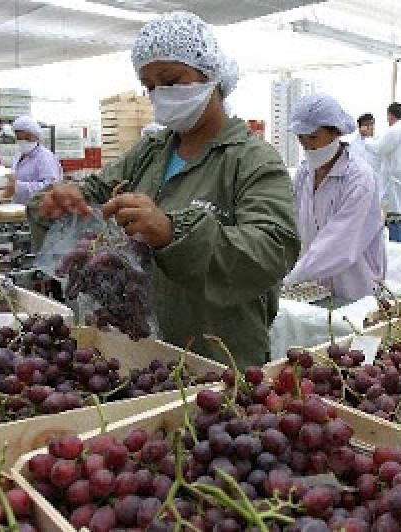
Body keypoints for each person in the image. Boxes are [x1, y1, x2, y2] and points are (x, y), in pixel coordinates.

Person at [27, 12, 299, 367]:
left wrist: (172, 232)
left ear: (211, 74)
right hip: (136, 352)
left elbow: (272, 249)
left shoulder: (251, 160)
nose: (160, 95)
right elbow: (91, 195)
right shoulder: (150, 152)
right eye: (150, 86)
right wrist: (60, 201)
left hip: (216, 359)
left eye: (171, 80)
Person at [283, 94, 384, 301]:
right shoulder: (304, 173)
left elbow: (340, 241)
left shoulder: (358, 178)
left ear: (336, 132)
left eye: (313, 137)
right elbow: (291, 222)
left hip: (354, 289)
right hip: (313, 287)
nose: (306, 145)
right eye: (300, 138)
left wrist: (294, 275)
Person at [365, 102, 401, 245]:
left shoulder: (394, 131)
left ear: (390, 115)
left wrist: (366, 141)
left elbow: (380, 149)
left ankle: (398, 249)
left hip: (394, 180)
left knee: (394, 216)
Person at [6, 115, 62, 204]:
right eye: (19, 138)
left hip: (36, 209)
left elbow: (51, 186)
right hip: (19, 206)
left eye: (27, 138)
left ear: (36, 136)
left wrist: (19, 186)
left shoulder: (45, 157)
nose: (23, 141)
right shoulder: (19, 155)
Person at [348, 112, 384, 198]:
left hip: (376, 182)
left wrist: (367, 138)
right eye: (366, 125)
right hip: (359, 184)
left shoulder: (379, 141)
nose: (370, 127)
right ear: (359, 127)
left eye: (371, 124)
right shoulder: (353, 145)